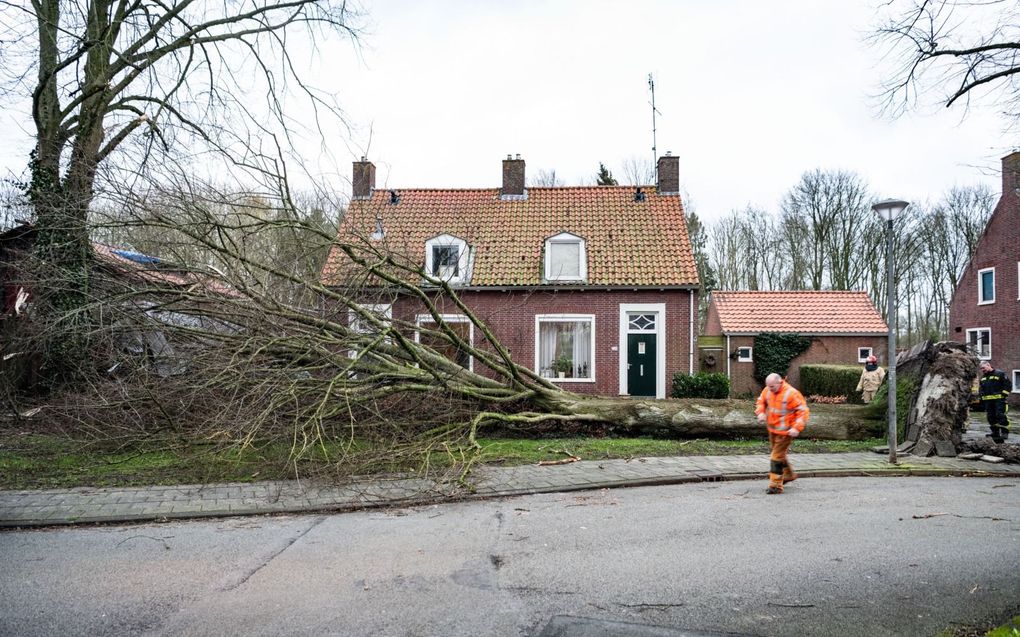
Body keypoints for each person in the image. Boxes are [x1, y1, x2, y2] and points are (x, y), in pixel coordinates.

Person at [755, 373, 810, 494]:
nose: (770, 389)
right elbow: (761, 401)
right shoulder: (768, 390)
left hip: (786, 432)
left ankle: (776, 486)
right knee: (779, 455)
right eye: (768, 386)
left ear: (780, 382)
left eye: (772, 387)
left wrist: (796, 428)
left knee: (776, 457)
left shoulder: (791, 393)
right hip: (772, 430)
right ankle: (788, 474)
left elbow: (803, 411)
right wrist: (760, 412)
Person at [978, 361, 1012, 444]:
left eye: (983, 368)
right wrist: (982, 397)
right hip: (988, 401)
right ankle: (995, 432)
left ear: (988, 365)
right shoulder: (983, 378)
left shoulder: (1000, 374)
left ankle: (1004, 432)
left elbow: (1007, 384)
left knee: (1000, 415)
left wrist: (1004, 394)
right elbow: (981, 388)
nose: (982, 370)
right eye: (981, 369)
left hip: (999, 400)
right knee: (990, 417)